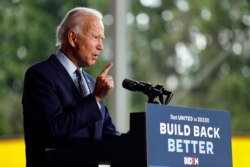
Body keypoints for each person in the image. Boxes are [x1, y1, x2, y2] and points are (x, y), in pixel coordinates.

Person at [22, 7, 120, 167]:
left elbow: (107, 135)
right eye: (96, 37)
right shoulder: (39, 75)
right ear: (73, 38)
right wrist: (94, 98)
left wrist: (141, 141)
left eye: (102, 38)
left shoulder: (92, 83)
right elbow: (54, 130)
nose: (101, 46)